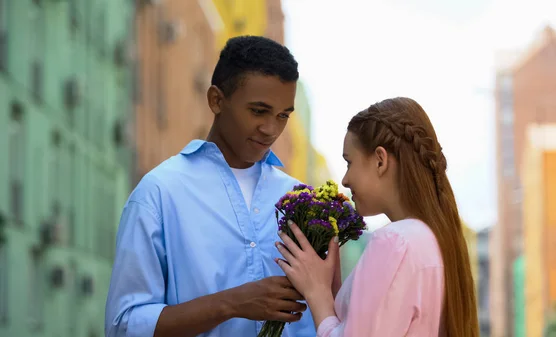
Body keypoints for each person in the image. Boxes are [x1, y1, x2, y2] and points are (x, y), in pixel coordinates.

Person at [105, 36, 316, 337]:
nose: (271, 129)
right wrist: (231, 303)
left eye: (283, 115)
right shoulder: (160, 193)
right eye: (258, 111)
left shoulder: (301, 200)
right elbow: (124, 325)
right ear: (216, 100)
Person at [274, 97, 480, 336]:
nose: (345, 180)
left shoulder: (395, 242)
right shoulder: (435, 240)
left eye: (349, 162)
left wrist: (317, 294)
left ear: (380, 160)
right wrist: (332, 292)